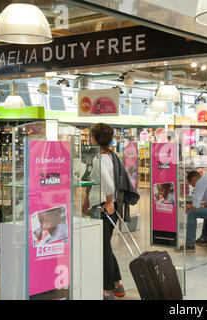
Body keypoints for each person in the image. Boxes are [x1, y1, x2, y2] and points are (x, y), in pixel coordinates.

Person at [89, 123, 126, 300]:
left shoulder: (98, 159)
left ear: (94, 139)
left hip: (104, 205)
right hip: (113, 204)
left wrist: (109, 202)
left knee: (103, 248)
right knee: (105, 246)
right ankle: (117, 284)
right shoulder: (113, 156)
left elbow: (108, 185)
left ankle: (107, 289)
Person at [176, 171, 207, 252]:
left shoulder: (199, 183)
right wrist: (202, 204)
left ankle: (190, 245)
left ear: (194, 179)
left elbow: (195, 206)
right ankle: (204, 238)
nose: (193, 187)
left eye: (192, 184)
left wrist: (189, 207)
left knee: (192, 213)